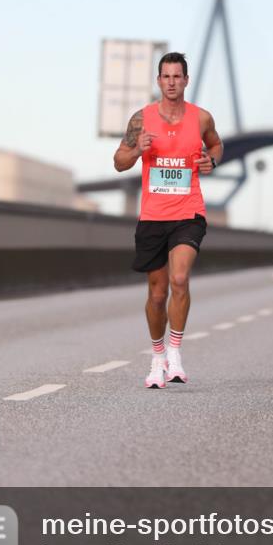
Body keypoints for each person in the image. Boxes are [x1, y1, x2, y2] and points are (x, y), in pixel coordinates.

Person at [113, 52, 223, 389]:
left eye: (177, 76)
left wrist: (211, 162)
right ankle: (157, 356)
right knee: (157, 294)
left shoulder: (201, 118)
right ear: (158, 81)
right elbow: (119, 162)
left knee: (179, 279)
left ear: (186, 80)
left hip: (189, 212)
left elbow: (216, 145)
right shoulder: (141, 119)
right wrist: (137, 150)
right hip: (152, 216)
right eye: (166, 76)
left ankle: (175, 353)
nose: (172, 82)